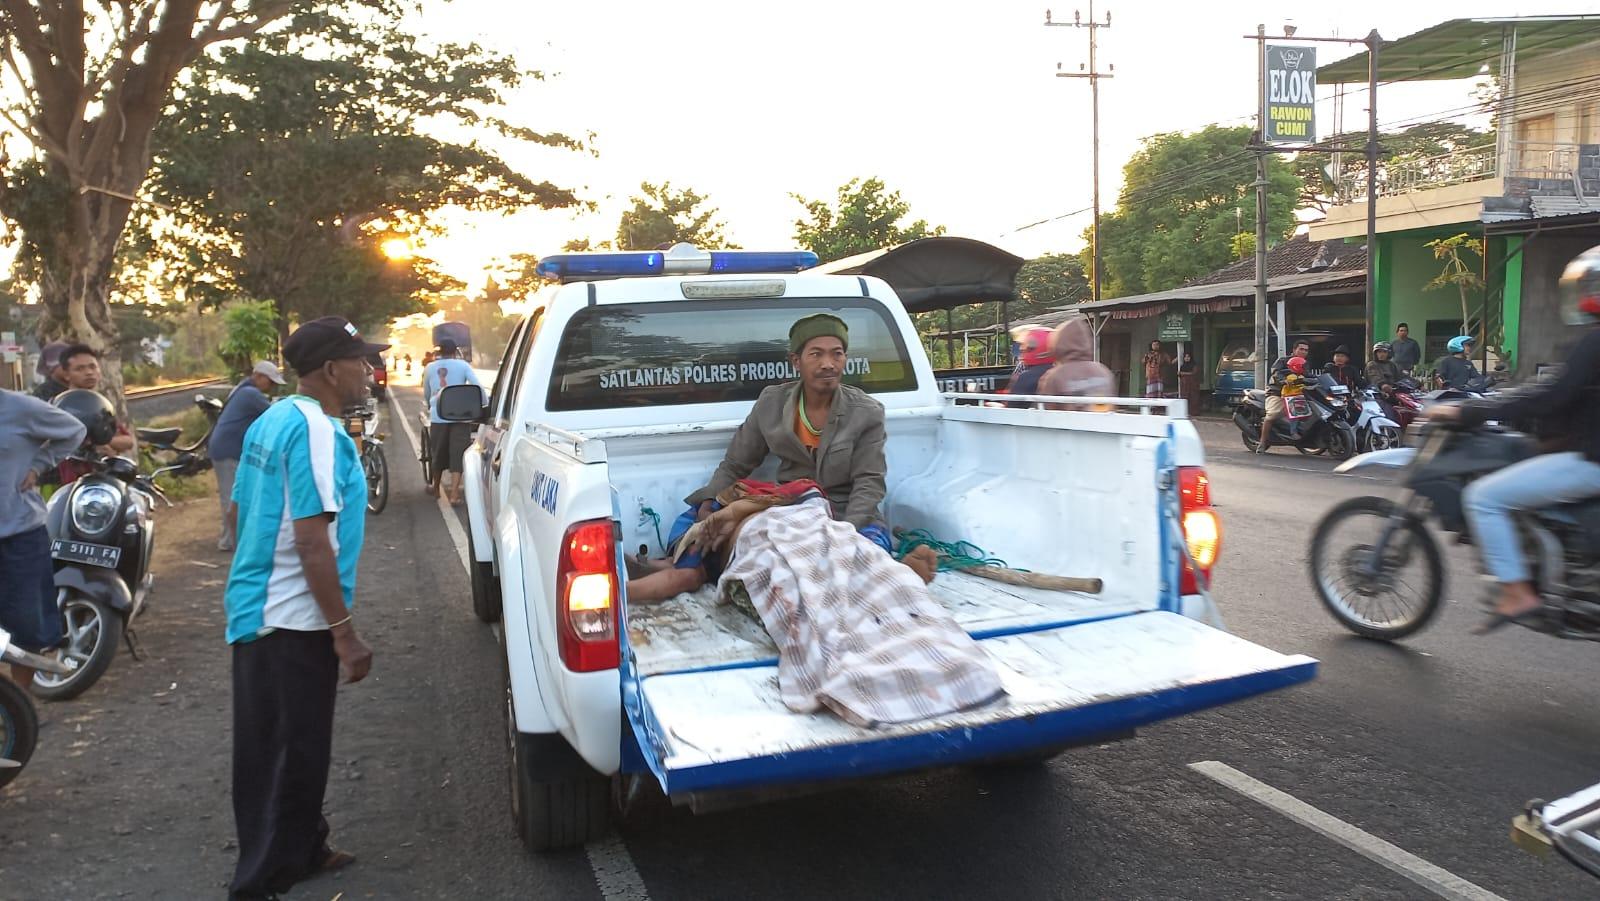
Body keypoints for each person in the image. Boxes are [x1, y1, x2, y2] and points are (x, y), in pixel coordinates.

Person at [224, 316, 383, 900]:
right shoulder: (316, 429)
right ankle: (261, 880)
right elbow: (312, 539)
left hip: (260, 605)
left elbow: (241, 512)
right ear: (330, 370)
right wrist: (344, 633)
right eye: (360, 361)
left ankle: (306, 848)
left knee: (280, 743)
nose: (369, 371)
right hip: (291, 617)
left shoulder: (272, 420)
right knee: (289, 755)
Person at [1430, 245, 1600, 635]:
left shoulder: (1594, 342)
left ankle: (1517, 592)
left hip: (1592, 461)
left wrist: (1469, 410)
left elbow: (1551, 394)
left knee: (1484, 497)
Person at [687, 314, 893, 551]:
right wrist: (711, 500)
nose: (828, 363)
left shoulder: (866, 412)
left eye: (837, 353)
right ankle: (674, 569)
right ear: (796, 361)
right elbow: (735, 463)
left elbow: (869, 483)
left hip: (850, 516)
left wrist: (843, 534)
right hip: (794, 512)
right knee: (714, 532)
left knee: (863, 562)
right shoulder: (771, 403)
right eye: (816, 354)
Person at [0, 389, 86, 689]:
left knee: (27, 627)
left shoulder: (21, 408)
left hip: (19, 535)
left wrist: (38, 465)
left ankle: (17, 703)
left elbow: (74, 430)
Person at [211, 361, 287, 552]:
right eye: (270, 382)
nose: (271, 386)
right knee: (231, 497)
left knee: (236, 494)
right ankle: (228, 541)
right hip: (227, 450)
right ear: (259, 376)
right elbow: (274, 415)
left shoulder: (242, 390)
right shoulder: (250, 394)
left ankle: (232, 538)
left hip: (226, 448)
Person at [422, 338, 482, 505]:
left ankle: (435, 488)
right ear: (455, 351)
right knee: (458, 453)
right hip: (460, 416)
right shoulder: (463, 366)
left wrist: (430, 405)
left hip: (438, 415)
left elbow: (426, 392)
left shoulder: (429, 367)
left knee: (437, 452)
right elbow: (477, 386)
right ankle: (454, 494)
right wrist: (481, 406)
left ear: (439, 352)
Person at [59, 344, 136, 456]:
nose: (89, 372)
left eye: (93, 367)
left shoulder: (101, 404)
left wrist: (102, 441)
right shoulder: (61, 405)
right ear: (66, 375)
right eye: (80, 369)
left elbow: (128, 441)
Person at [1037, 316, 1116, 410]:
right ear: (1087, 341)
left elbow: (1046, 413)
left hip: (1068, 423)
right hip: (1103, 423)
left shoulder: (1055, 376)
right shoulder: (1103, 370)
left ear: (1058, 343)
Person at [1256, 340, 1310, 453]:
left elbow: (1309, 376)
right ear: (1294, 350)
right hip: (1277, 393)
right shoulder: (1283, 361)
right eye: (1301, 349)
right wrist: (1283, 381)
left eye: (1306, 350)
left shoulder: (1304, 364)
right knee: (1273, 414)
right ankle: (1262, 442)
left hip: (1297, 394)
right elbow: (1276, 373)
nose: (1304, 352)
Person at [1006, 327, 1055, 404]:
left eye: (1024, 345)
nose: (1021, 348)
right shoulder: (1061, 372)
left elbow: (1012, 408)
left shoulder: (1026, 378)